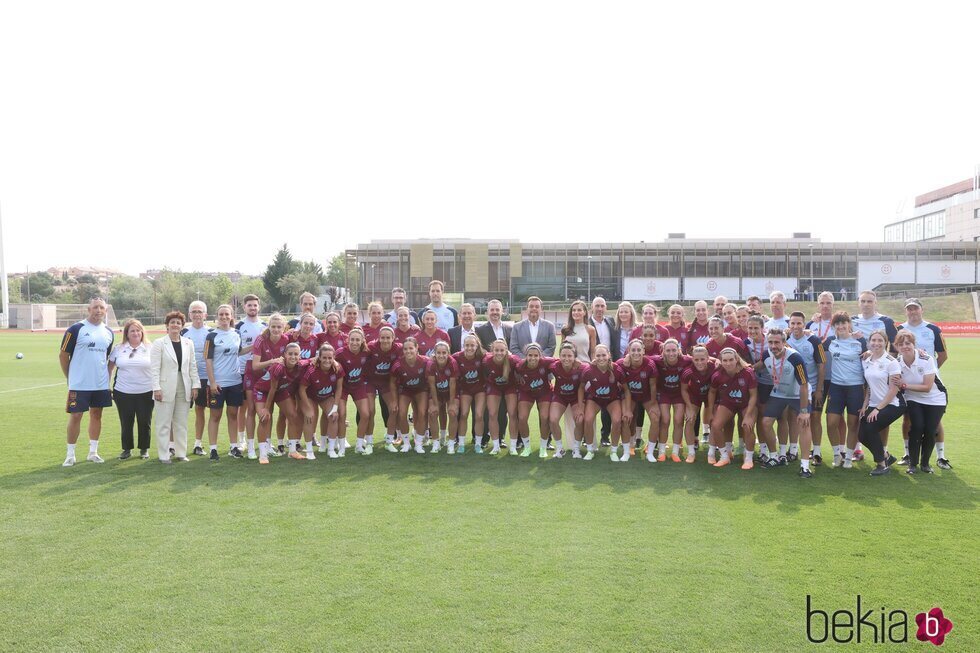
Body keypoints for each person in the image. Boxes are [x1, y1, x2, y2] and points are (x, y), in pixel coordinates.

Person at [60, 297, 114, 466]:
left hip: (100, 383)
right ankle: (70, 454)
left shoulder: (109, 332)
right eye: (95, 307)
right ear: (88, 309)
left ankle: (93, 452)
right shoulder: (75, 329)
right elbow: (63, 355)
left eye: (102, 308)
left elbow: (105, 357)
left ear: (106, 311)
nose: (99, 310)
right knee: (76, 416)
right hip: (79, 383)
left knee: (97, 415)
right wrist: (70, 376)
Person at [897, 298, 951, 469]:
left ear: (922, 310)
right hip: (909, 383)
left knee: (934, 422)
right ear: (906, 311)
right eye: (909, 309)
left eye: (915, 308)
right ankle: (908, 454)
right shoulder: (899, 329)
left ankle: (940, 456)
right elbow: (894, 354)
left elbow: (942, 355)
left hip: (930, 382)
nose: (913, 312)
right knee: (909, 419)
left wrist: (929, 371)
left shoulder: (933, 329)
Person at [759, 328, 812, 477]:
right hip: (779, 393)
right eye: (770, 342)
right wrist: (738, 363)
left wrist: (804, 411)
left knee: (804, 423)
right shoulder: (766, 355)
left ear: (784, 342)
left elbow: (804, 384)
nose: (773, 346)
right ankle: (775, 457)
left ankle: (805, 466)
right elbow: (756, 367)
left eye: (777, 342)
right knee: (766, 422)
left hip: (798, 393)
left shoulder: (795, 358)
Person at [150, 311, 199, 463]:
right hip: (164, 387)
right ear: (167, 325)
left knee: (181, 422)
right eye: (172, 322)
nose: (175, 325)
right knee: (163, 423)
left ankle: (181, 453)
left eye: (178, 323)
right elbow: (154, 368)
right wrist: (156, 388)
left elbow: (192, 366)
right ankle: (164, 455)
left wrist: (195, 385)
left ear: (182, 326)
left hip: (184, 385)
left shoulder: (188, 343)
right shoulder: (159, 343)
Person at [205, 304, 252, 461]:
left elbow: (239, 351)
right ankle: (213, 449)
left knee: (233, 415)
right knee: (215, 416)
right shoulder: (211, 336)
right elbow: (208, 360)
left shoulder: (236, 333)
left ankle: (233, 447)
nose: (224, 317)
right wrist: (212, 382)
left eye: (227, 314)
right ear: (217, 316)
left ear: (232, 316)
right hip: (217, 383)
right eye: (221, 314)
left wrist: (255, 345)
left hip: (235, 382)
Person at [823, 312, 868, 469]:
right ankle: (837, 454)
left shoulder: (860, 340)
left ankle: (849, 457)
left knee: (853, 424)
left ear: (849, 324)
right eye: (837, 324)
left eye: (844, 323)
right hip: (836, 387)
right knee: (831, 423)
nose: (841, 326)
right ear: (834, 326)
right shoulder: (830, 341)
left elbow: (875, 353)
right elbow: (814, 347)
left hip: (856, 387)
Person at [256, 342, 311, 462]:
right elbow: (272, 389)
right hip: (264, 391)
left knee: (293, 416)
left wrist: (333, 361)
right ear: (284, 354)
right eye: (290, 354)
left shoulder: (300, 364)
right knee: (264, 418)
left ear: (300, 355)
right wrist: (266, 408)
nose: (293, 357)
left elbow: (312, 360)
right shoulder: (278, 367)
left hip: (280, 390)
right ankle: (263, 454)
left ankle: (292, 451)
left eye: (296, 354)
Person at [706, 349, 761, 468]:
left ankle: (749, 458)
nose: (728, 363)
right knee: (715, 426)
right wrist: (710, 411)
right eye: (725, 360)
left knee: (747, 425)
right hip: (728, 403)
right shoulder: (718, 375)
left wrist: (747, 416)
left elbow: (753, 395)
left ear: (736, 359)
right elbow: (712, 392)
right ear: (721, 361)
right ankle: (724, 456)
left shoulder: (748, 372)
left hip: (746, 404)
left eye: (731, 360)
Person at [860, 331, 903, 476]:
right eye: (873, 340)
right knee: (860, 434)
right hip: (873, 404)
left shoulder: (891, 362)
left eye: (880, 340)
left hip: (893, 404)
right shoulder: (866, 360)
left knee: (871, 427)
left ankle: (881, 465)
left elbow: (894, 389)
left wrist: (878, 409)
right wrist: (865, 405)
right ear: (869, 342)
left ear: (886, 342)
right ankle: (885, 456)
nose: (876, 343)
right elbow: (869, 387)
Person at [108, 319, 153, 460]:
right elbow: (109, 368)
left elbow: (158, 368)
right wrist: (106, 387)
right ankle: (126, 449)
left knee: (144, 421)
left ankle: (144, 449)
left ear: (142, 332)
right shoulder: (119, 348)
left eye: (138, 330)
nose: (135, 333)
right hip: (123, 392)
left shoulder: (150, 347)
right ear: (127, 333)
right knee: (126, 421)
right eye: (132, 330)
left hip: (146, 391)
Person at [786, 311, 827, 464]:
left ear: (804, 324)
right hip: (793, 389)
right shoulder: (785, 339)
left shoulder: (814, 340)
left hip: (812, 387)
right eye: (793, 323)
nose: (796, 326)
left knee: (815, 418)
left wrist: (818, 390)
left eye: (799, 323)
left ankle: (816, 452)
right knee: (793, 418)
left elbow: (822, 365)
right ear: (789, 325)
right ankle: (793, 449)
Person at [249, 314, 290, 458]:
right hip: (260, 383)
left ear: (284, 327)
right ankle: (256, 448)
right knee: (263, 416)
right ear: (269, 326)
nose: (276, 329)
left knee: (275, 413)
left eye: (279, 327)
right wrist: (273, 361)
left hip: (277, 383)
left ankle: (269, 444)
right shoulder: (261, 339)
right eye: (273, 326)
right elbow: (255, 366)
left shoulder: (287, 339)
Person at [476, 299, 512, 447]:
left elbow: (512, 351)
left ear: (502, 311)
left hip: (506, 376)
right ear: (487, 312)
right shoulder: (480, 330)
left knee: (503, 409)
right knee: (487, 409)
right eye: (492, 310)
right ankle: (484, 438)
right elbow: (480, 350)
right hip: (488, 376)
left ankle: (501, 437)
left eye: (498, 310)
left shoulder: (509, 329)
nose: (495, 313)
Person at [580, 345, 625, 461]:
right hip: (595, 399)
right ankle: (590, 450)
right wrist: (581, 407)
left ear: (609, 355)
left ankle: (614, 451)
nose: (601, 358)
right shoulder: (589, 370)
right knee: (588, 419)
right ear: (594, 357)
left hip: (612, 399)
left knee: (616, 420)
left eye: (604, 355)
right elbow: (581, 388)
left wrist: (627, 408)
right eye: (598, 355)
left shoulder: (616, 369)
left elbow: (627, 389)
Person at [299, 345, 344, 459]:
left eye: (330, 358)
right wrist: (308, 408)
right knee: (310, 417)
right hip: (310, 396)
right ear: (319, 357)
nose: (327, 360)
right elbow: (302, 389)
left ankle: (331, 449)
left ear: (334, 357)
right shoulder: (312, 370)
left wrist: (335, 407)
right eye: (324, 357)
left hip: (326, 396)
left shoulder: (338, 368)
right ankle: (309, 450)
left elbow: (339, 388)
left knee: (334, 416)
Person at [181, 301, 213, 456]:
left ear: (205, 314)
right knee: (180, 411)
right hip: (187, 378)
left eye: (200, 311)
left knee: (201, 410)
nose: (197, 314)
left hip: (206, 378)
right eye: (194, 312)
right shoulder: (183, 333)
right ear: (189, 315)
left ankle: (198, 444)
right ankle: (175, 445)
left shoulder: (212, 332)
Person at [651, 339, 692, 463]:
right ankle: (662, 451)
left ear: (679, 351)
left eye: (674, 350)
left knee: (679, 420)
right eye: (668, 351)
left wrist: (716, 360)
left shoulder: (685, 360)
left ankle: (675, 452)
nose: (671, 353)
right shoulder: (658, 360)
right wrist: (624, 359)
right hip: (664, 393)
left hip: (679, 394)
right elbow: (642, 357)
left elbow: (702, 357)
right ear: (663, 352)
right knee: (665, 420)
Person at [335, 328, 374, 455]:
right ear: (348, 340)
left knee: (366, 414)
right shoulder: (340, 353)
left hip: (358, 386)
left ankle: (359, 445)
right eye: (352, 339)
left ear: (362, 340)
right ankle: (341, 446)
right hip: (343, 387)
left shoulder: (366, 352)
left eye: (358, 340)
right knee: (342, 414)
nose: (355, 342)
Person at [235, 294, 266, 455]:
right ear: (244, 307)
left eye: (255, 305)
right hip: (243, 370)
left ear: (258, 307)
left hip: (262, 371)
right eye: (249, 305)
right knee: (244, 407)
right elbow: (237, 351)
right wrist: (254, 347)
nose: (252, 308)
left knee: (263, 406)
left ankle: (265, 440)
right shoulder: (239, 326)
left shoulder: (265, 325)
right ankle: (242, 441)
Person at [618, 339, 659, 458]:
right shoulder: (621, 363)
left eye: (638, 350)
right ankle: (628, 449)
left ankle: (650, 451)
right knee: (626, 418)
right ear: (628, 351)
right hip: (629, 396)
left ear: (643, 351)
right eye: (633, 350)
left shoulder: (650, 365)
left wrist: (654, 403)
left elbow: (652, 385)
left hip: (646, 396)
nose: (636, 353)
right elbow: (609, 366)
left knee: (656, 418)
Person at [390, 337, 431, 453]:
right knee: (401, 413)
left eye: (411, 348)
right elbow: (392, 383)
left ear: (417, 348)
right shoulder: (398, 365)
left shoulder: (426, 361)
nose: (408, 351)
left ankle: (418, 444)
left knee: (422, 413)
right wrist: (393, 400)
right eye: (405, 349)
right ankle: (406, 443)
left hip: (421, 390)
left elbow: (432, 379)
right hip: (406, 391)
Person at [513, 343, 554, 458]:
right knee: (522, 417)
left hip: (544, 393)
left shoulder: (546, 362)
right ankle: (527, 447)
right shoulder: (520, 366)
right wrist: (518, 377)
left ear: (540, 356)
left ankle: (543, 447)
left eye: (536, 355)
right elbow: (513, 371)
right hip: (526, 393)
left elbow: (562, 361)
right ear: (525, 356)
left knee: (545, 417)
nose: (533, 358)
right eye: (530, 355)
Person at [367, 326, 403, 451]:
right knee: (370, 411)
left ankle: (389, 441)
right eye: (383, 337)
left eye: (388, 337)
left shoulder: (399, 348)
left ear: (393, 338)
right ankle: (369, 443)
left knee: (393, 409)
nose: (385, 340)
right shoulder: (371, 346)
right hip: (370, 382)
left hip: (387, 383)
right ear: (378, 338)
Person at [483, 339, 521, 454]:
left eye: (502, 350)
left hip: (510, 387)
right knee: (492, 414)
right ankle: (496, 446)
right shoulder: (486, 361)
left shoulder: (513, 360)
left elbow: (524, 367)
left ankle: (513, 446)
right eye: (496, 350)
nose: (499, 353)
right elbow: (484, 375)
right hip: (494, 387)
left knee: (513, 414)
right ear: (492, 351)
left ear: (506, 351)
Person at [548, 342, 586, 458]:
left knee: (579, 420)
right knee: (553, 420)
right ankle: (560, 449)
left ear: (575, 357)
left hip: (575, 397)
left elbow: (593, 367)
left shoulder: (582, 367)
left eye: (569, 356)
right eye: (563, 355)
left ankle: (576, 449)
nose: (566, 358)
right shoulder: (554, 366)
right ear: (559, 356)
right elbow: (540, 361)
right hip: (560, 396)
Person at [679, 346, 716, 463]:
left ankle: (711, 453)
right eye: (696, 360)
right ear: (692, 359)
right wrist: (689, 407)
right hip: (694, 396)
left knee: (714, 421)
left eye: (702, 359)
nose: (699, 362)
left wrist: (710, 409)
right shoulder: (688, 372)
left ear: (708, 358)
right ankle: (691, 452)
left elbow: (714, 391)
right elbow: (684, 390)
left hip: (712, 395)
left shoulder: (715, 368)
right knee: (690, 420)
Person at [451, 334, 487, 453]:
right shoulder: (456, 357)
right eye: (467, 345)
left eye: (472, 345)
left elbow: (497, 357)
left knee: (479, 415)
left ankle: (478, 443)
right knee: (464, 414)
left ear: (477, 346)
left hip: (479, 389)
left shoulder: (483, 356)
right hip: (465, 390)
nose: (470, 348)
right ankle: (461, 443)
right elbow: (445, 359)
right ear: (463, 346)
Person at [426, 341, 459, 453]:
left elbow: (452, 384)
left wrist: (452, 403)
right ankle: (436, 443)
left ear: (448, 353)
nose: (441, 355)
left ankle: (450, 443)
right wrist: (435, 404)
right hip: (437, 392)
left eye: (444, 352)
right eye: (438, 353)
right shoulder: (431, 364)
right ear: (434, 353)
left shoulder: (452, 363)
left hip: (450, 392)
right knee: (433, 412)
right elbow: (431, 385)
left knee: (453, 413)